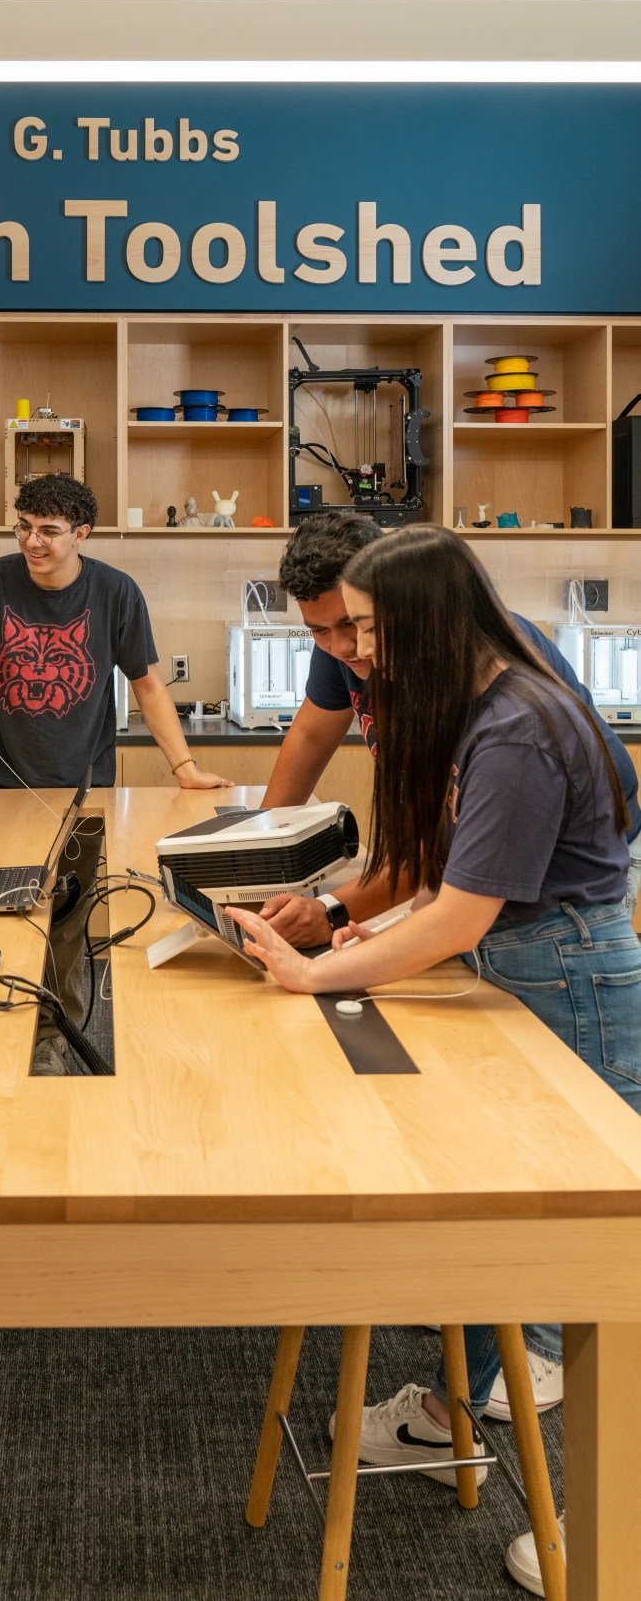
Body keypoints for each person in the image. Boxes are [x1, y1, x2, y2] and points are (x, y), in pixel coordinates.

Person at [228, 527, 641, 1594]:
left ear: (425, 615)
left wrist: (317, 969)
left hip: (568, 968)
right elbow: (433, 865)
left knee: (584, 1250)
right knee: (526, 1227)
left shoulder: (516, 727)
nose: (352, 648)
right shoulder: (473, 701)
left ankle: (607, 1542)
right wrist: (337, 915)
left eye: (364, 627)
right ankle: (487, 1398)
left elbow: (459, 908)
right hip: (531, 953)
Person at [0, 475, 232, 1073]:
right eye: (23, 527)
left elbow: (146, 683)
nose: (31, 541)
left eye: (48, 531)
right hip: (1, 789)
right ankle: (2, 1035)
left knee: (71, 919)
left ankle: (60, 1030)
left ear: (81, 534)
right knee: (2, 913)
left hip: (86, 791)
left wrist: (185, 768)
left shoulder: (116, 592)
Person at [258, 513, 641, 948]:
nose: (344, 648)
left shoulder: (471, 671)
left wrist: (331, 913)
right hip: (474, 858)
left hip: (578, 864)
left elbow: (439, 844)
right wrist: (260, 858)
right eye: (319, 631)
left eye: (354, 624)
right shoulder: (348, 646)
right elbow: (311, 737)